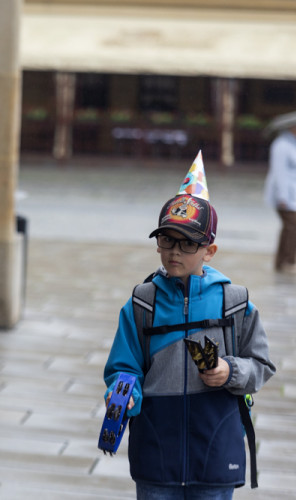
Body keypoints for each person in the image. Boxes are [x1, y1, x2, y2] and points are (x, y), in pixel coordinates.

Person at [103, 153, 275, 499]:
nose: (174, 251)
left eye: (187, 243)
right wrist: (123, 394)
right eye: (166, 240)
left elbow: (262, 365)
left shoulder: (236, 303)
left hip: (216, 451)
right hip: (156, 453)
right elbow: (123, 367)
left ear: (209, 251)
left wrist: (230, 371)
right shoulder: (142, 303)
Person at [263, 124, 296, 273]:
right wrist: (283, 196)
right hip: (284, 194)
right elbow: (280, 172)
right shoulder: (281, 145)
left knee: (290, 227)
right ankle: (288, 260)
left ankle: (282, 261)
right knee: (293, 225)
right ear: (291, 128)